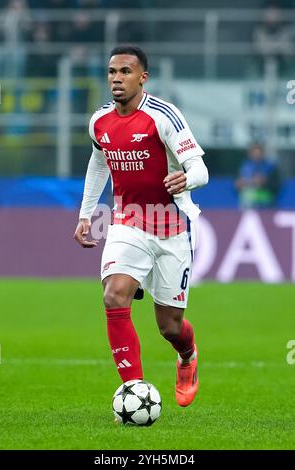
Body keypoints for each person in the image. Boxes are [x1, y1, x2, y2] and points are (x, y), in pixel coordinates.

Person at [74, 45, 209, 408]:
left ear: (142, 77)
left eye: (125, 72)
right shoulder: (99, 121)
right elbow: (98, 161)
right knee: (114, 294)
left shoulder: (163, 115)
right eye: (112, 72)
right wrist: (86, 213)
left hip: (172, 228)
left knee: (170, 327)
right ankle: (134, 392)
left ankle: (187, 356)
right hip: (126, 222)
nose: (117, 79)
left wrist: (187, 179)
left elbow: (199, 167)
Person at [235, 143, 280, 209]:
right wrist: (239, 184)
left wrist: (265, 182)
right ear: (250, 154)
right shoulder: (244, 167)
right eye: (254, 153)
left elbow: (276, 186)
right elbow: (237, 185)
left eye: (259, 153)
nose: (257, 156)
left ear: (263, 154)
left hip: (266, 203)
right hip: (247, 203)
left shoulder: (270, 167)